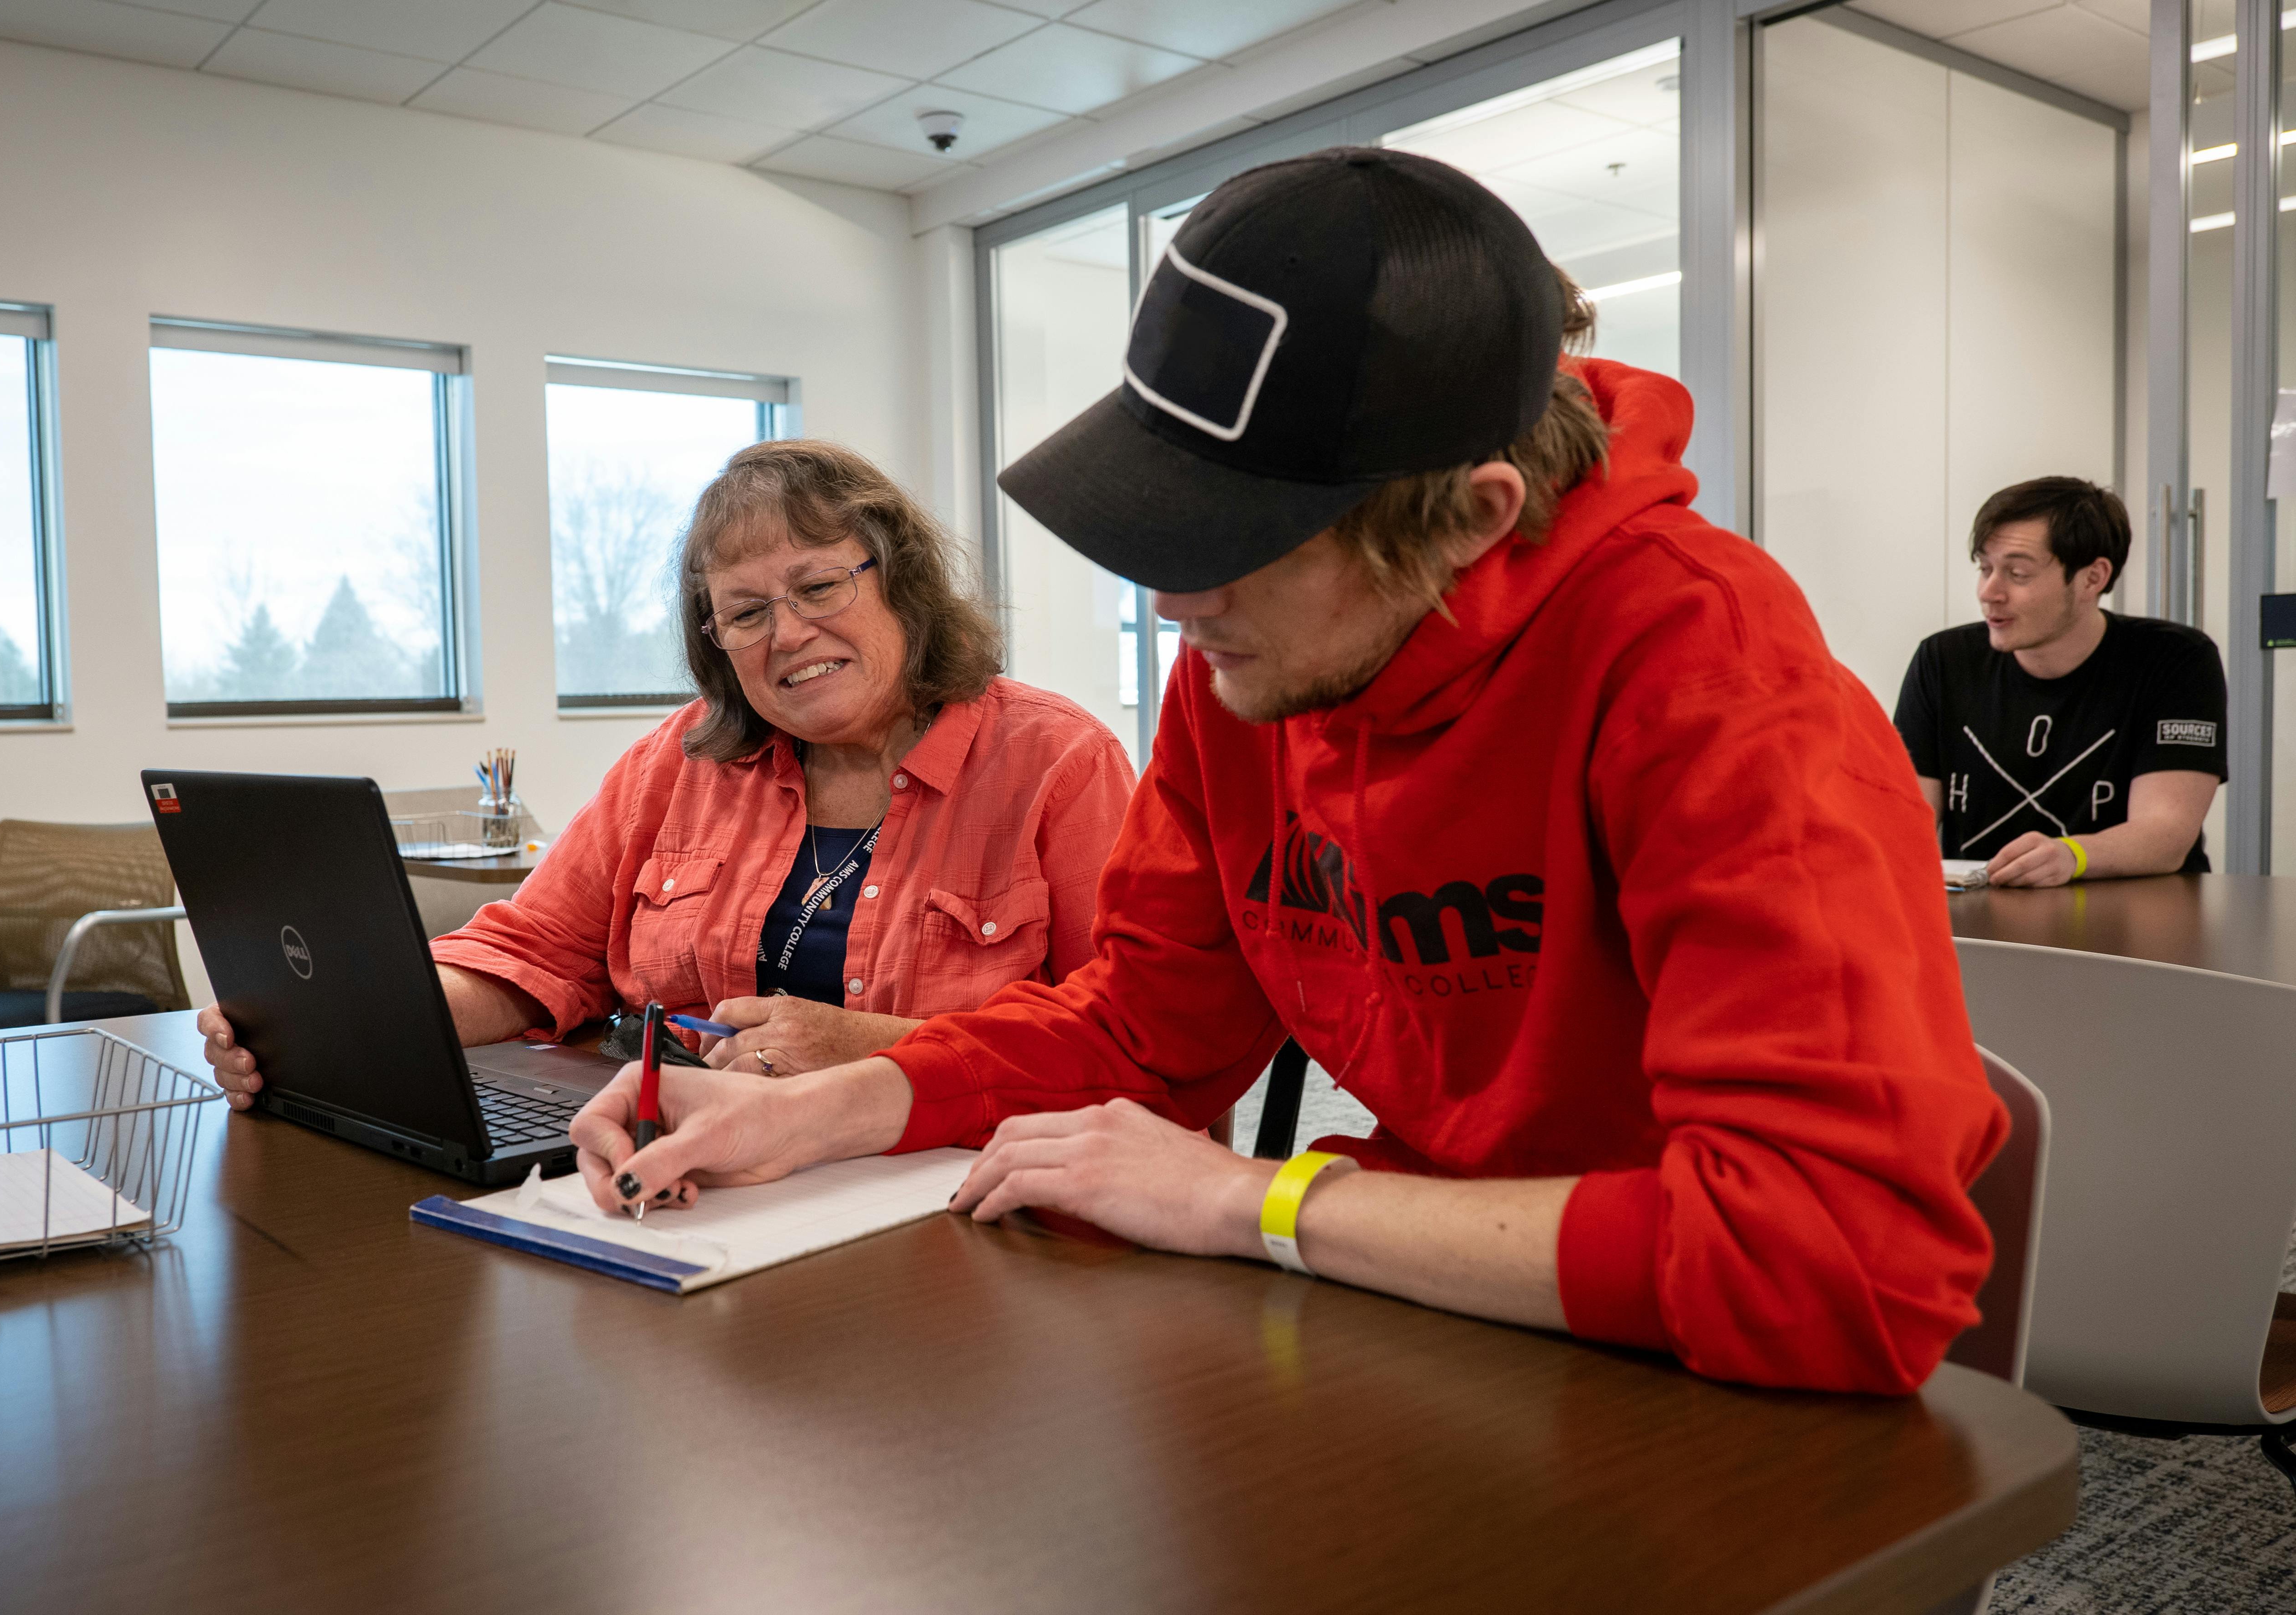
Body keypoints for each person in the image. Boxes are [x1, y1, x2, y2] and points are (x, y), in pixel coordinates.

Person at [565, 148, 2006, 1397]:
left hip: (1696, 1380)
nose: (1163, 601)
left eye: (1218, 544)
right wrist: (816, 1109)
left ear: (1465, 521)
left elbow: (1842, 1266)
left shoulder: (1714, 687)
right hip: (1423, 1321)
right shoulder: (1246, 675)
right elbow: (1146, 1023)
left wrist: (1260, 1196)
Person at [197, 439, 1136, 1109]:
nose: (789, 633)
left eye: (818, 587)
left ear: (903, 583)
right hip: (686, 1164)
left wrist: (883, 1054)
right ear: (716, 641)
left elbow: (1134, 1049)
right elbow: (536, 954)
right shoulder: (676, 762)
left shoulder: (1057, 764)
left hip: (947, 1186)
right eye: (745, 612)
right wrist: (336, 1028)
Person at [1892, 478, 2225, 887]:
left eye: (2017, 574)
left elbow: (2166, 834)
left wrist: (2073, 854)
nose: (1989, 592)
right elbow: (1902, 818)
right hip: (1978, 919)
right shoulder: (1943, 661)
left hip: (2132, 922)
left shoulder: (2174, 660)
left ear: (2092, 578)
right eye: (1985, 568)